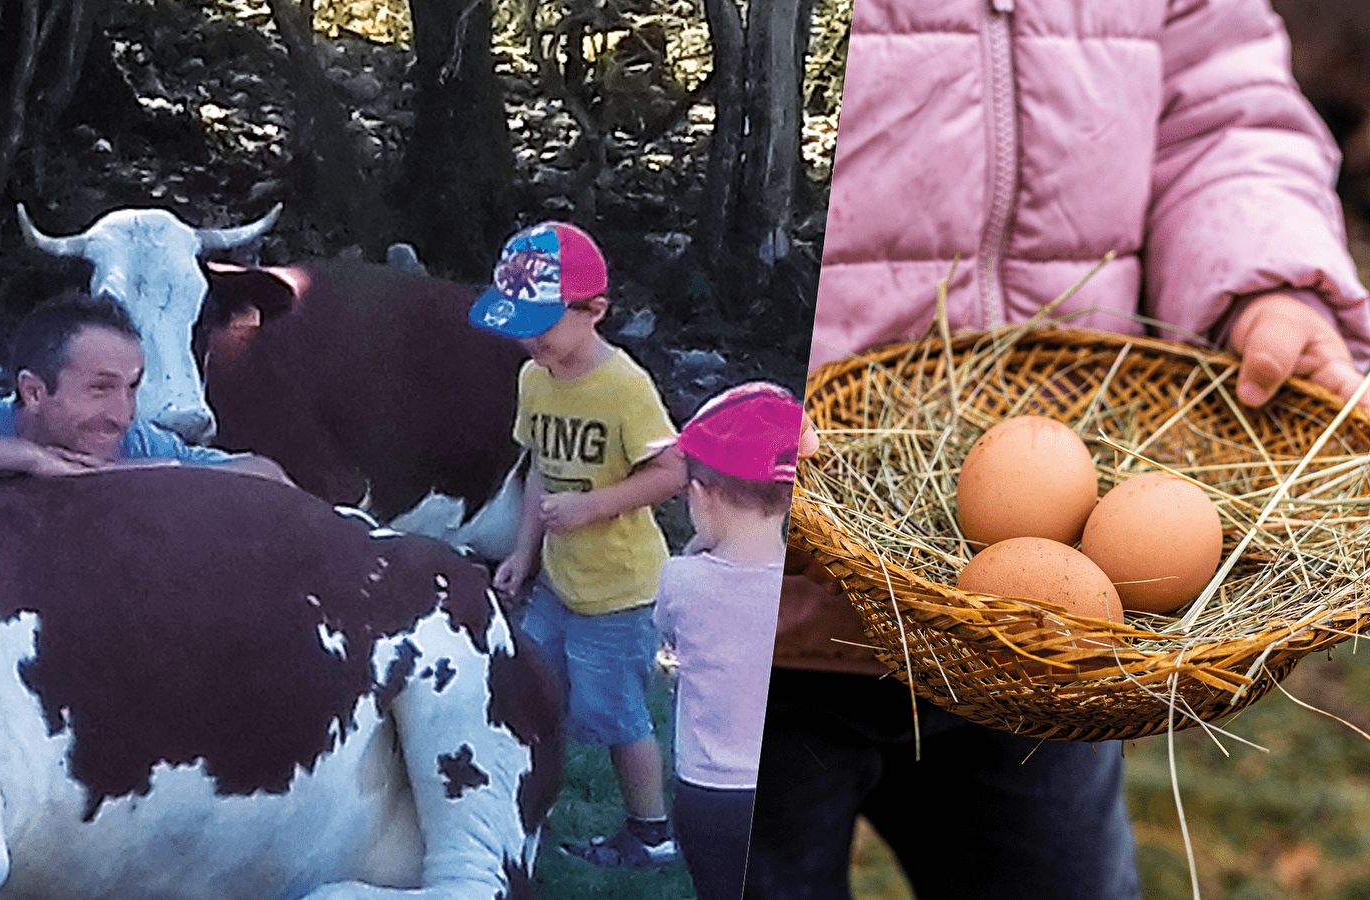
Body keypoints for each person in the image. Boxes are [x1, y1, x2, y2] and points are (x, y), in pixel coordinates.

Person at [747, 2, 1370, 900]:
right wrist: (713, 373)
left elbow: (1222, 111)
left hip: (1053, 663)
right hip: (758, 628)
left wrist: (1265, 280)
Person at [470, 221, 688, 868]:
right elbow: (538, 464)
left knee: (618, 717)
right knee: (531, 688)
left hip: (619, 593)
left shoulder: (623, 387)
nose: (526, 336)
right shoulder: (535, 379)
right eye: (517, 322)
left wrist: (592, 506)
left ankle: (650, 831)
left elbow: (673, 470)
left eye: (540, 322)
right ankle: (524, 803)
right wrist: (522, 553)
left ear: (594, 311)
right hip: (558, 582)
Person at [651, 382, 800, 900]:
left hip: (709, 792)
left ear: (698, 497)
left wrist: (695, 548)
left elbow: (664, 626)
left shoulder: (680, 580)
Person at [0, 290, 289, 482]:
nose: (123, 414)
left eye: (132, 387)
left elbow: (269, 477)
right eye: (100, 388)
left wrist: (139, 472)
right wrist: (31, 460)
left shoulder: (138, 443)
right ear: (34, 392)